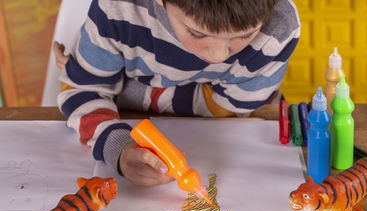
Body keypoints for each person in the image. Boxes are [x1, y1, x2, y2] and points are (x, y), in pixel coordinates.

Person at [54, 0, 300, 187]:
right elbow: (82, 92)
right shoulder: (118, 10)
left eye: (245, 34)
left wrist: (127, 94)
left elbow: (235, 108)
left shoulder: (279, 27)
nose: (218, 56)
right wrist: (117, 148)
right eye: (197, 34)